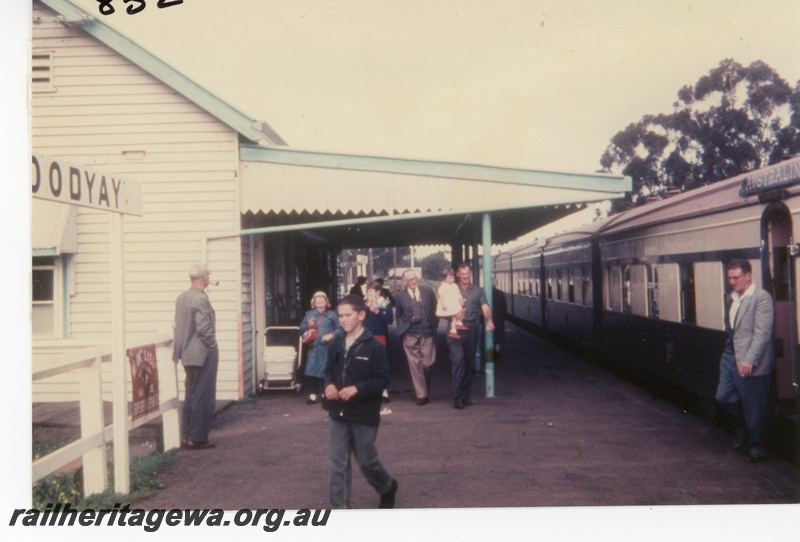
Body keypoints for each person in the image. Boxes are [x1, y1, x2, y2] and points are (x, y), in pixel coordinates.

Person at [324, 295, 398, 509]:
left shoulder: (374, 346)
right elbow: (329, 370)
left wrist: (357, 389)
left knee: (366, 461)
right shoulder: (336, 342)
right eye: (340, 316)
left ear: (361, 315)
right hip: (338, 412)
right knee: (338, 464)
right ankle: (340, 511)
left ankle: (386, 486)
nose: (343, 320)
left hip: (364, 414)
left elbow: (382, 379)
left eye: (348, 315)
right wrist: (329, 384)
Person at [715, 259, 774, 463]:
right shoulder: (732, 297)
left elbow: (762, 334)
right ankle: (742, 429)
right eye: (729, 278)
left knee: (754, 406)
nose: (732, 281)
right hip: (730, 355)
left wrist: (749, 360)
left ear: (748, 276)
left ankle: (758, 449)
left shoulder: (761, 298)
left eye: (736, 277)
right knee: (723, 397)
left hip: (749, 359)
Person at [172, 263, 218, 450]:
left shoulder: (182, 297)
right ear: (203, 277)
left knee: (190, 394)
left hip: (186, 353)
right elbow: (204, 328)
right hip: (202, 352)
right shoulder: (200, 299)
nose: (209, 277)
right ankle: (197, 438)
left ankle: (186, 436)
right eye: (207, 274)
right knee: (203, 395)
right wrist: (212, 345)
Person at [448, 263, 494, 410]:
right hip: (455, 328)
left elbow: (485, 307)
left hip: (472, 328)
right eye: (462, 273)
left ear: (471, 273)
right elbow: (442, 308)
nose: (465, 276)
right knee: (458, 362)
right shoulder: (451, 289)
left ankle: (465, 396)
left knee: (468, 363)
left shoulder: (478, 290)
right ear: (457, 274)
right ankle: (457, 396)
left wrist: (490, 320)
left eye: (467, 273)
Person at [394, 268, 438, 406]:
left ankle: (424, 388)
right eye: (410, 279)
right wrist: (406, 323)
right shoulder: (400, 296)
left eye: (415, 278)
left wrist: (433, 325)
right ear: (405, 281)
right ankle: (421, 395)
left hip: (427, 332)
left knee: (427, 363)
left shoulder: (428, 291)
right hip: (410, 334)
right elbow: (399, 315)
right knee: (415, 364)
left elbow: (435, 309)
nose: (414, 281)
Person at [299, 291, 341, 405]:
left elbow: (340, 328)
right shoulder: (310, 314)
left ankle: (325, 394)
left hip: (328, 347)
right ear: (314, 303)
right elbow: (301, 328)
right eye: (318, 302)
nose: (320, 304)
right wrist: (309, 326)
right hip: (314, 346)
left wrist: (331, 335)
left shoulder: (332, 314)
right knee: (312, 370)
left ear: (326, 302)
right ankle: (312, 395)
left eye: (322, 302)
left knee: (326, 370)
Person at [365, 281, 394, 412]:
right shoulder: (365, 303)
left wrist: (376, 310)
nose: (368, 294)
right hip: (366, 336)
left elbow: (389, 320)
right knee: (367, 363)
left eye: (371, 291)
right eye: (367, 291)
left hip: (380, 335)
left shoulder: (386, 303)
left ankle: (384, 391)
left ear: (378, 292)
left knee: (381, 363)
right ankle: (370, 391)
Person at [436, 267, 466, 339]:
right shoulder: (443, 286)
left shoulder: (454, 285)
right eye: (450, 278)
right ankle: (454, 328)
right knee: (454, 316)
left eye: (453, 277)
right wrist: (443, 304)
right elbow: (441, 296)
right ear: (444, 278)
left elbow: (458, 293)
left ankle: (455, 328)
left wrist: (461, 299)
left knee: (460, 312)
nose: (452, 279)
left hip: (454, 304)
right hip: (448, 305)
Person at [492, 286, 507, 361]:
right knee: (498, 336)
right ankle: (497, 352)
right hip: (499, 318)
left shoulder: (485, 293)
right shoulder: (500, 293)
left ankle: (490, 354)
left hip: (489, 317)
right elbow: (504, 307)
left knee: (490, 335)